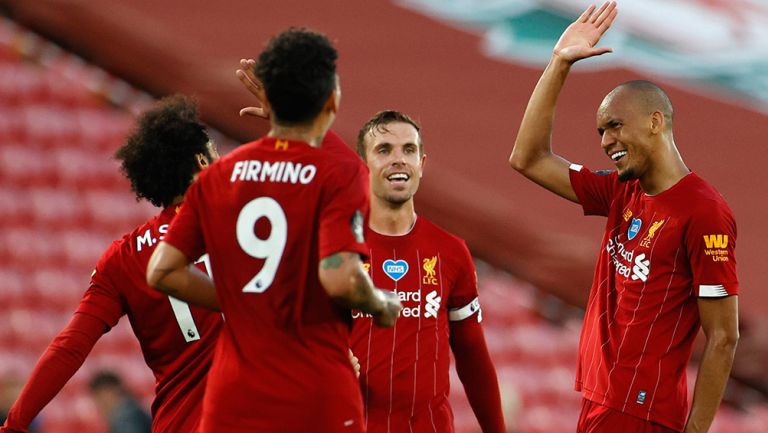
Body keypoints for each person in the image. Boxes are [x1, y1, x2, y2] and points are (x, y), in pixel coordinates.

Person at [146, 28, 402, 433]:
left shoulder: (220, 174)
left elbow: (162, 271)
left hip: (233, 396)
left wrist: (242, 302)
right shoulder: (340, 175)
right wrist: (381, 304)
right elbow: (339, 277)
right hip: (316, 393)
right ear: (331, 100)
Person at [509, 2, 739, 433]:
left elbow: (724, 336)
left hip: (640, 410)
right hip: (604, 400)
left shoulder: (704, 212)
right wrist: (559, 63)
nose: (606, 141)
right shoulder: (622, 190)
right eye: (601, 132)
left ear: (655, 122)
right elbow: (528, 158)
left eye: (615, 126)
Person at [1, 95, 223, 433]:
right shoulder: (244, 219)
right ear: (201, 161)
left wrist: (13, 425)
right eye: (214, 151)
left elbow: (70, 346)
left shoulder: (124, 258)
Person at [350, 110, 506, 433]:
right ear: (363, 165)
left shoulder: (451, 252)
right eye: (384, 150)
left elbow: (473, 357)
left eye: (409, 150)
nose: (399, 160)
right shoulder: (336, 248)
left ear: (422, 164)